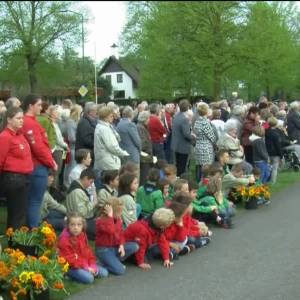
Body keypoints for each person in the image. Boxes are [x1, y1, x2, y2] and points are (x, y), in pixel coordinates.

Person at [21, 94, 57, 228]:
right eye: (39, 105)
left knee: (31, 200)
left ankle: (27, 229)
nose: (41, 108)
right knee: (35, 201)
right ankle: (33, 231)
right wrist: (51, 162)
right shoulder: (29, 122)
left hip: (33, 165)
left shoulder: (30, 121)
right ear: (30, 106)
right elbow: (38, 147)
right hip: (37, 166)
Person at [0, 107, 33, 229]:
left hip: (23, 179)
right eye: (18, 118)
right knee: (16, 216)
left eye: (22, 118)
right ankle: (14, 246)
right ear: (9, 119)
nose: (21, 121)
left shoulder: (19, 135)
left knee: (20, 215)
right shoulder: (5, 137)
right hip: (13, 179)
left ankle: (16, 244)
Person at [57, 213, 108, 284]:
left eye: (79, 225)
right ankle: (68, 275)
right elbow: (70, 260)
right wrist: (86, 268)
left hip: (83, 264)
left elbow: (88, 252)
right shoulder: (64, 239)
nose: (76, 227)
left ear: (82, 226)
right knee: (89, 278)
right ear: (68, 226)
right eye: (72, 225)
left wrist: (92, 265)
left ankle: (85, 273)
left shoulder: (82, 235)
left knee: (104, 273)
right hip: (70, 266)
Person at [95, 197, 139, 275]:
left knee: (135, 246)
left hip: (114, 247)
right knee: (120, 271)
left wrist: (121, 245)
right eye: (118, 212)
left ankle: (114, 261)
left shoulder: (118, 220)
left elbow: (121, 234)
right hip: (104, 249)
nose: (120, 214)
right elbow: (110, 230)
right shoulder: (100, 221)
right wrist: (110, 217)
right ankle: (101, 264)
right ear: (110, 212)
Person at [94, 106, 129, 173]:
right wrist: (123, 153)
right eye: (111, 116)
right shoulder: (104, 129)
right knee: (113, 180)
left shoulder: (102, 126)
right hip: (109, 160)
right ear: (105, 117)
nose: (113, 117)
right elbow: (112, 146)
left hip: (106, 159)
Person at [66, 168, 98, 238]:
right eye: (90, 182)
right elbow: (81, 212)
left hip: (77, 219)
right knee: (100, 229)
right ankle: (83, 233)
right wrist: (93, 203)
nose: (90, 185)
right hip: (80, 220)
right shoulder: (78, 192)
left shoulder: (75, 184)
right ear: (85, 178)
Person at [194, 103, 217, 182]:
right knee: (206, 169)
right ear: (206, 111)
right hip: (206, 148)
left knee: (199, 167)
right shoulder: (205, 122)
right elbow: (212, 137)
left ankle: (198, 182)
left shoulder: (197, 121)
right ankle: (205, 183)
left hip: (198, 146)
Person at [171, 99, 194, 176]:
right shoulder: (184, 119)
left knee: (178, 165)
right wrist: (193, 137)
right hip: (182, 146)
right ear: (187, 107)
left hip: (176, 145)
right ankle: (180, 182)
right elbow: (186, 134)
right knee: (182, 167)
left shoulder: (176, 116)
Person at [64, 104, 83, 187]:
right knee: (71, 167)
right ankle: (68, 184)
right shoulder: (71, 122)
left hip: (74, 148)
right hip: (72, 148)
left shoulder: (73, 121)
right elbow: (71, 138)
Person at [137, 111, 154, 185]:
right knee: (144, 176)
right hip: (144, 157)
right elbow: (142, 144)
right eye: (148, 119)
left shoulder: (142, 127)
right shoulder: (140, 128)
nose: (149, 120)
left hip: (146, 156)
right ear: (145, 119)